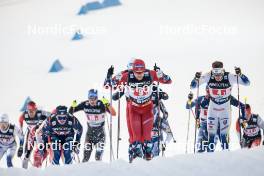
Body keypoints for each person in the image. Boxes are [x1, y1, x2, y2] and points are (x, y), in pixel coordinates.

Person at [105, 59, 172, 161]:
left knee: (147, 139)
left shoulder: (150, 74)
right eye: (137, 73)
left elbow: (168, 80)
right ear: (132, 70)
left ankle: (149, 160)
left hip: (147, 109)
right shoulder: (127, 76)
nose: (139, 75)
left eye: (141, 72)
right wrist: (109, 77)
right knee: (136, 139)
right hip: (134, 109)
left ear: (144, 70)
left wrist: (161, 73)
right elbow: (108, 86)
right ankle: (135, 160)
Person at [190, 61, 250, 152]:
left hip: (225, 109)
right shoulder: (208, 76)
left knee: (223, 136)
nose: (217, 77)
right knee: (211, 136)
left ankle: (226, 156)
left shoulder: (229, 76)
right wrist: (195, 78)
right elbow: (193, 87)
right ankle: (209, 156)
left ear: (223, 71)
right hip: (213, 108)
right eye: (215, 74)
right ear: (212, 72)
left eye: (220, 74)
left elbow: (247, 83)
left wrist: (240, 74)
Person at [69, 89, 116, 162]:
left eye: (94, 99)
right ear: (88, 98)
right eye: (90, 99)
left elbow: (114, 113)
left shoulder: (101, 104)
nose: (92, 101)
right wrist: (72, 107)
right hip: (89, 136)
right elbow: (70, 113)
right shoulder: (85, 104)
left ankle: (99, 173)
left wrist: (108, 104)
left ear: (97, 98)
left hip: (101, 136)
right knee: (85, 158)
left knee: (98, 157)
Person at [18, 101, 50, 169]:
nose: (31, 112)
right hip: (30, 133)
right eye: (29, 111)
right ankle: (24, 170)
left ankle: (38, 165)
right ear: (27, 110)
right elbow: (20, 120)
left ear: (36, 110)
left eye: (33, 110)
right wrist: (21, 129)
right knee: (26, 153)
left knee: (41, 150)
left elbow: (52, 115)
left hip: (39, 133)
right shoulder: (24, 114)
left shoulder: (41, 112)